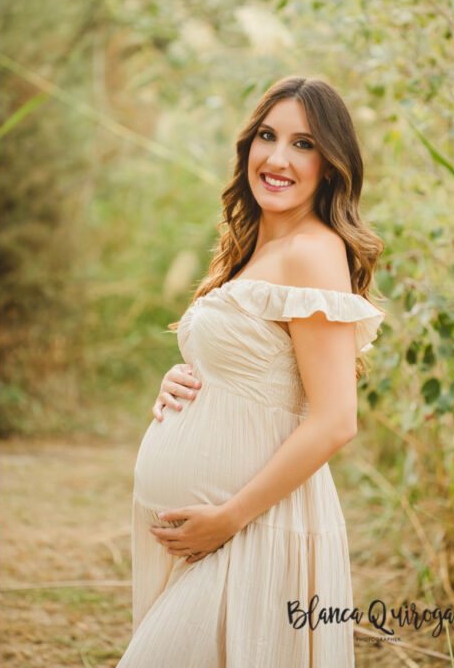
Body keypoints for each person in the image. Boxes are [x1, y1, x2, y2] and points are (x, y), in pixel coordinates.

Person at [118, 76, 386, 667]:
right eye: (268, 135)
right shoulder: (252, 252)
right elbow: (256, 372)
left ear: (332, 165)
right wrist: (187, 383)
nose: (278, 158)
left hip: (256, 531)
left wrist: (227, 519)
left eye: (304, 144)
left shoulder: (313, 251)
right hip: (216, 535)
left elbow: (336, 420)